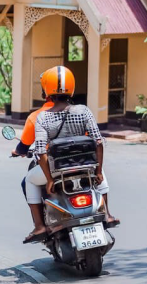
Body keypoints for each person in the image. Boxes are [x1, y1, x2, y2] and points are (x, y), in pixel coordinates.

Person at [22, 66, 108, 243]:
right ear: (72, 87)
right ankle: (107, 214)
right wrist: (98, 171)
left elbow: (40, 151)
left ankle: (39, 226)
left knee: (30, 180)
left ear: (47, 89)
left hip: (57, 172)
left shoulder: (43, 118)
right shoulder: (83, 111)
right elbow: (98, 142)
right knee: (103, 176)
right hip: (86, 168)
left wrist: (51, 180)